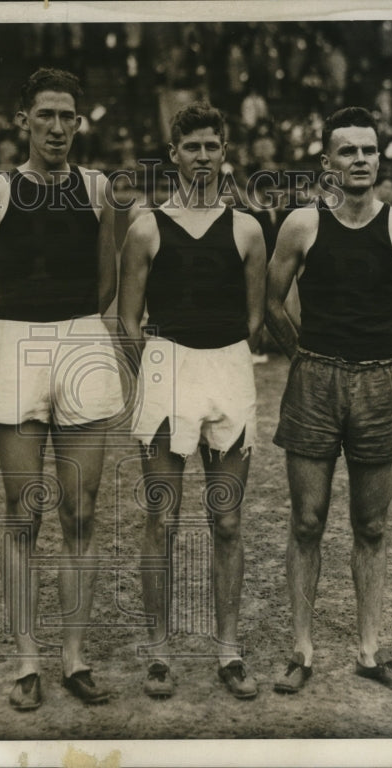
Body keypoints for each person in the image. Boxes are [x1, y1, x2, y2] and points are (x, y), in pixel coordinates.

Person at [0, 68, 124, 710]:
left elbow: (107, 281)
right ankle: (28, 659)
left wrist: (72, 330)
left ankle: (75, 657)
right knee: (23, 511)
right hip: (16, 344)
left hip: (83, 341)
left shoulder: (97, 189)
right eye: (46, 115)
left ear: (79, 123)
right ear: (23, 121)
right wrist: (25, 333)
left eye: (68, 116)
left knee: (80, 510)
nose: (58, 127)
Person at [264, 107, 392, 694]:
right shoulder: (301, 224)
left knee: (372, 523)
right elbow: (273, 304)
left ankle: (368, 650)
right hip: (314, 382)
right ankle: (301, 650)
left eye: (369, 150)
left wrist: (383, 362)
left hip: (378, 385)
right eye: (348, 151)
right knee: (307, 521)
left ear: (380, 158)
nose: (360, 160)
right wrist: (304, 358)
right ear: (327, 163)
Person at [118, 103, 267, 700]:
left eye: (212, 145)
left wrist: (218, 352)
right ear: (173, 153)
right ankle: (158, 653)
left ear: (224, 151)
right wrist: (156, 372)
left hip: (229, 368)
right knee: (162, 518)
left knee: (226, 520)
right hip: (166, 369)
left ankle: (228, 651)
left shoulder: (249, 228)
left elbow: (255, 320)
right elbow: (127, 320)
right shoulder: (146, 227)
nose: (202, 156)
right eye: (191, 147)